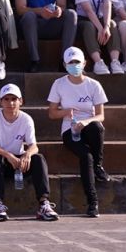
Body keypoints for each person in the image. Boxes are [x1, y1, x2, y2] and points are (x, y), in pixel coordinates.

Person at [47, 47, 109, 217]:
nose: (74, 65)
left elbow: (101, 115)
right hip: (69, 129)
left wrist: (86, 121)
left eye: (77, 62)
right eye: (70, 62)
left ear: (84, 63)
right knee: (86, 156)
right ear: (65, 64)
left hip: (89, 126)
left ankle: (98, 166)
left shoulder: (93, 85)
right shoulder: (59, 84)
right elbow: (52, 113)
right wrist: (65, 112)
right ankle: (93, 202)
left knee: (96, 127)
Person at [0, 83, 58, 222]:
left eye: (14, 99)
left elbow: (33, 145)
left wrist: (27, 154)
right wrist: (8, 155)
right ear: (0, 102)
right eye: (6, 99)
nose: (10, 103)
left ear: (21, 101)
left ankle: (44, 203)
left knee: (38, 158)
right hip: (3, 162)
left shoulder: (26, 119)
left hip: (20, 163)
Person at [74, 0, 121, 75]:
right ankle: (98, 62)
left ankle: (115, 61)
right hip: (85, 19)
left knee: (112, 24)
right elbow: (88, 10)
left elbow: (107, 4)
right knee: (89, 26)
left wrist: (106, 26)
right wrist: (100, 29)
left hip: (102, 17)